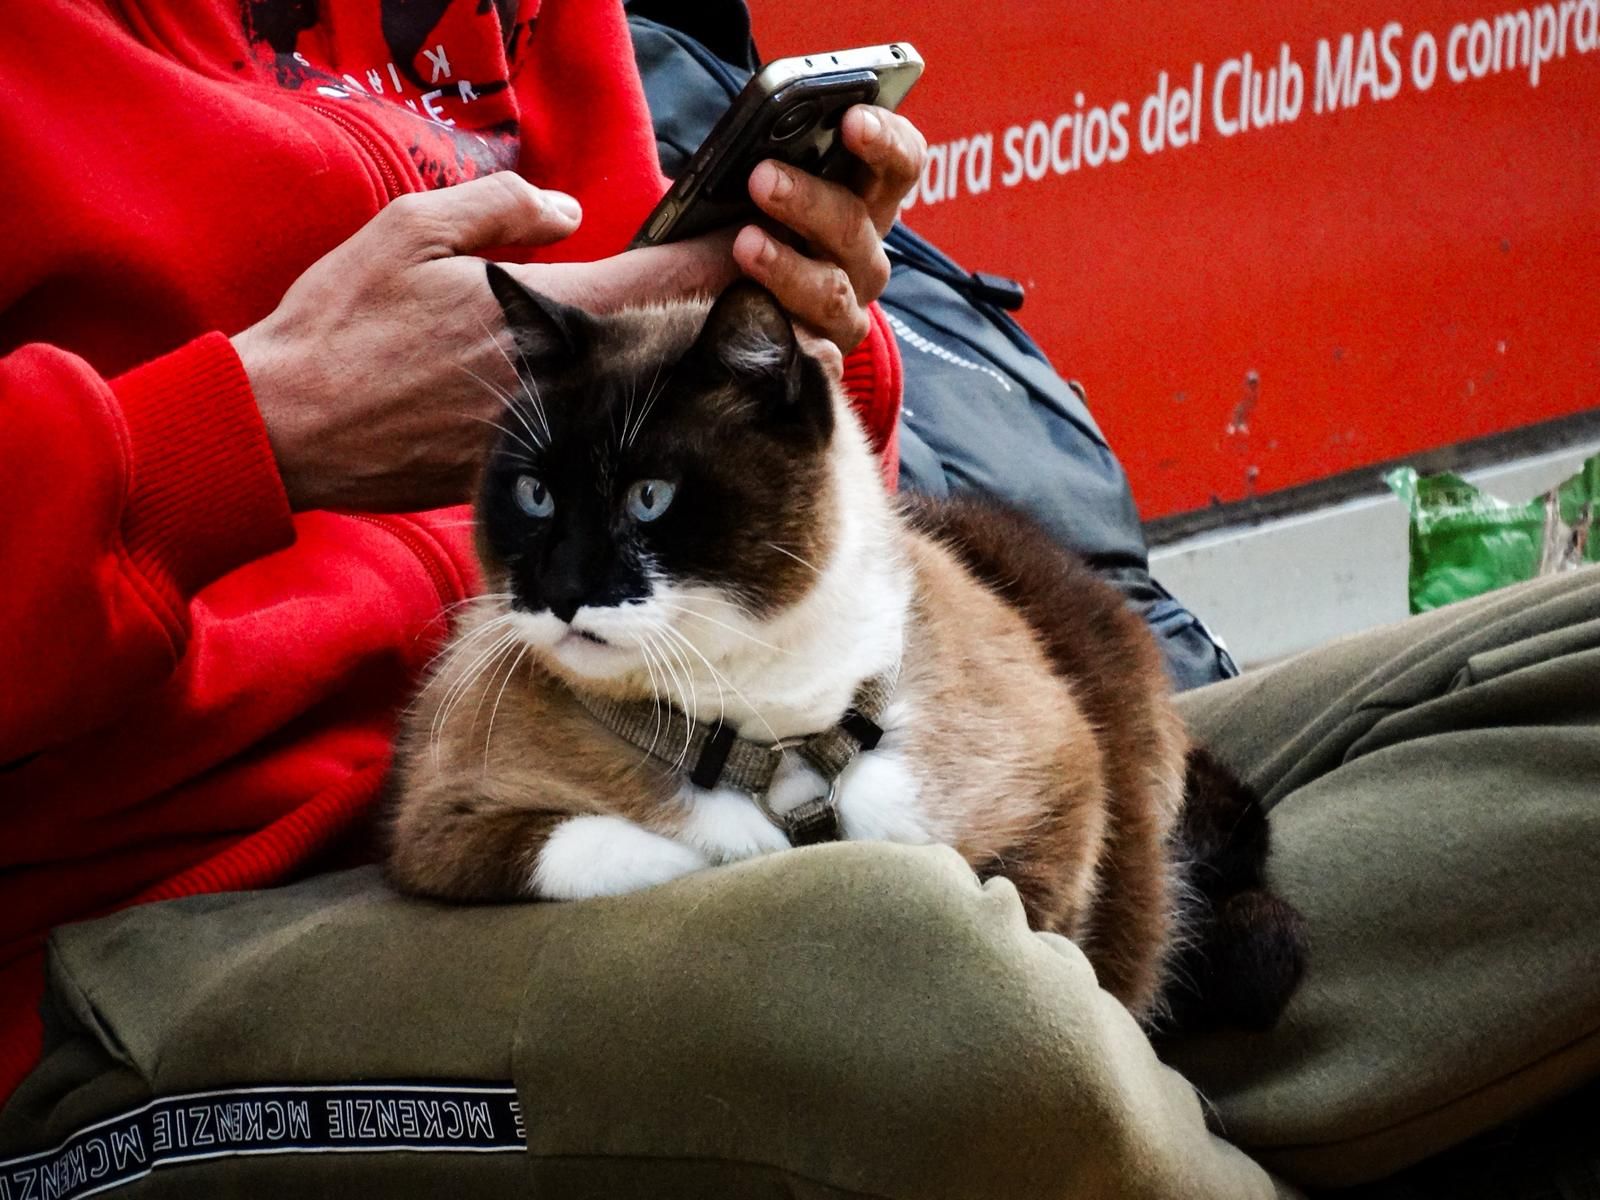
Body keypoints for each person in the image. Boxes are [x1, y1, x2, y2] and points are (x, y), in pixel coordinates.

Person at [4, 3, 1597, 1198]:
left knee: (1569, 673)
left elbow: (690, 450)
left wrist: (807, 347)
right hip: (192, 928)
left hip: (734, 751)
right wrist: (257, 431)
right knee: (913, 980)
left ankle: (1132, 1119)